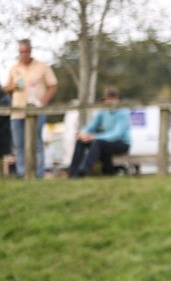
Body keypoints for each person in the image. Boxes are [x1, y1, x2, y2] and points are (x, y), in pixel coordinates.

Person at [3, 38, 57, 178]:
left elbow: (53, 85)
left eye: (26, 51)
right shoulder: (14, 68)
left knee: (37, 143)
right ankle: (22, 174)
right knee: (19, 145)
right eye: (21, 52)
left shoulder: (42, 66)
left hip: (37, 112)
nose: (24, 54)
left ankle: (38, 174)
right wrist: (13, 86)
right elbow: (5, 88)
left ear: (30, 51)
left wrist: (42, 103)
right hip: (17, 113)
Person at [68, 87, 131, 177]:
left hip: (121, 143)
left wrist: (94, 137)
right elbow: (92, 126)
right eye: (108, 99)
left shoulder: (123, 112)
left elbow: (116, 134)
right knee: (81, 141)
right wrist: (83, 133)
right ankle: (73, 173)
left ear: (118, 100)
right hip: (105, 142)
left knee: (98, 143)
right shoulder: (103, 112)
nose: (110, 102)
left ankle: (85, 170)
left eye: (112, 99)